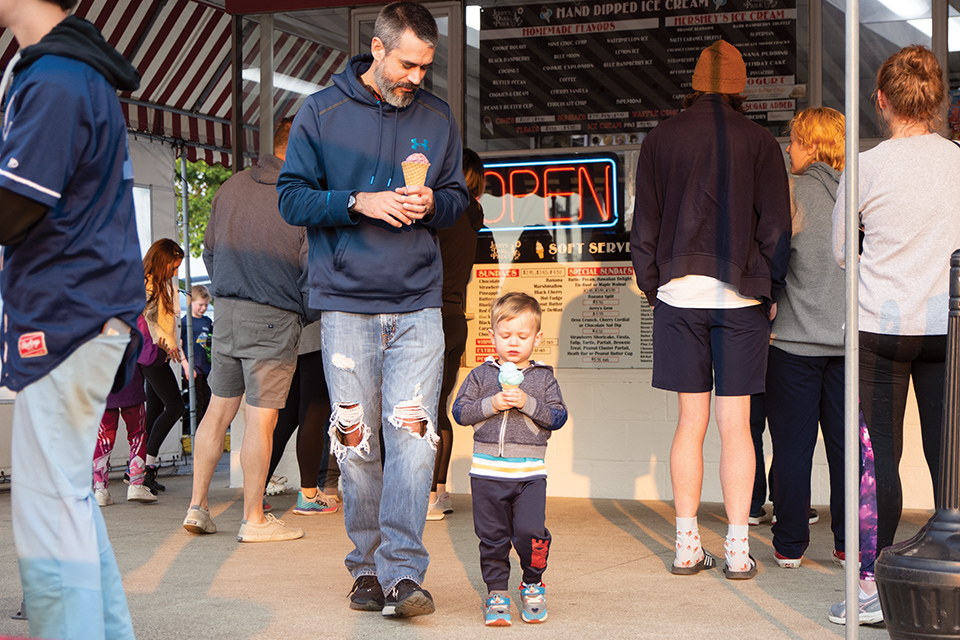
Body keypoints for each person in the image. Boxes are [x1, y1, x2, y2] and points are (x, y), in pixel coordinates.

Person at [277, 1, 470, 618]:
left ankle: (403, 574)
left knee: (412, 443)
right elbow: (291, 199)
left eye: (426, 66)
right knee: (358, 445)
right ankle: (364, 567)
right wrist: (359, 201)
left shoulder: (438, 118)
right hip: (347, 308)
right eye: (408, 63)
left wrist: (430, 205)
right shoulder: (322, 113)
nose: (417, 77)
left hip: (418, 306)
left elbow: (457, 196)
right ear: (379, 51)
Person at [0, 0, 145, 636]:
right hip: (86, 311)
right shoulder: (76, 72)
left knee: (50, 516)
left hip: (64, 315)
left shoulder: (54, 79)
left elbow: (16, 207)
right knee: (70, 504)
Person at [629, 39, 791, 579]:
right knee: (737, 425)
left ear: (696, 84)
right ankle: (740, 548)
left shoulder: (660, 139)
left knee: (689, 423)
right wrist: (770, 286)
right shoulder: (761, 141)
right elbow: (775, 227)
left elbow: (645, 225)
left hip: (679, 295)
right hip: (741, 295)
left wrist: (654, 285)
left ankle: (685, 544)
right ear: (740, 86)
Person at [829, 44, 960, 625]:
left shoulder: (867, 166)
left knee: (879, 459)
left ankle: (875, 593)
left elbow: (840, 253)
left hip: (880, 326)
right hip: (948, 326)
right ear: (938, 103)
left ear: (881, 101)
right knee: (949, 455)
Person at [182, 116, 307, 543]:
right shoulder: (298, 195)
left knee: (218, 410)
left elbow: (209, 252)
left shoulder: (230, 187)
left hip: (227, 312)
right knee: (261, 420)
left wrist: (225, 293)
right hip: (273, 316)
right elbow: (311, 269)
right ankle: (253, 518)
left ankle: (198, 507)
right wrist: (303, 311)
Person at [452, 292, 567, 626]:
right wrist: (494, 403)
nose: (513, 343)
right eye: (505, 336)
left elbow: (558, 417)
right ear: (492, 336)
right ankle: (497, 592)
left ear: (537, 337)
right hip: (487, 473)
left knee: (530, 533)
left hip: (529, 474)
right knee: (492, 536)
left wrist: (527, 402)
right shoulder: (480, 375)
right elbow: (460, 411)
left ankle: (533, 582)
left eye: (522, 336)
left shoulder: (544, 377)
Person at [765, 107, 846, 568]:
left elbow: (776, 259)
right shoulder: (857, 193)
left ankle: (790, 545)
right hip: (847, 347)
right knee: (845, 451)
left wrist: (770, 297)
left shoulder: (790, 192)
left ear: (811, 145)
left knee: (792, 448)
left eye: (793, 140)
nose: (788, 149)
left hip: (793, 345)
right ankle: (847, 544)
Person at [428, 147, 486, 521]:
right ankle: (439, 492)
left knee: (425, 410)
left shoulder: (445, 215)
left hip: (429, 317)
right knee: (437, 409)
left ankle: (430, 495)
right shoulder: (472, 216)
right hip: (454, 319)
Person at [267, 319, 341, 515]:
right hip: (317, 337)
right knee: (314, 416)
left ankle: (255, 494)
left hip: (286, 340)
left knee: (284, 419)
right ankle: (309, 496)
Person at [140, 238, 187, 495]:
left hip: (156, 353)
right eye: (173, 266)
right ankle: (146, 469)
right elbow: (147, 320)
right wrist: (169, 344)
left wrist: (169, 344)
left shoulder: (158, 283)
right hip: (151, 353)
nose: (175, 272)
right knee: (175, 406)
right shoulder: (148, 284)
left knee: (156, 407)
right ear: (162, 260)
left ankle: (140, 470)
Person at [94, 354, 155, 505]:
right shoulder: (131, 328)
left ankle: (100, 489)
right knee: (137, 435)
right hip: (130, 377)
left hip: (102, 379)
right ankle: (136, 484)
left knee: (103, 438)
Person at [182, 283, 213, 432]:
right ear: (191, 303)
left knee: (207, 401)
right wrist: (186, 365)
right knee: (197, 403)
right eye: (200, 305)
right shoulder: (185, 321)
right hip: (194, 370)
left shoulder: (207, 321)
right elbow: (179, 344)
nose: (203, 308)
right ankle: (197, 431)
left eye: (206, 305)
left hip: (207, 368)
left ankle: (204, 430)